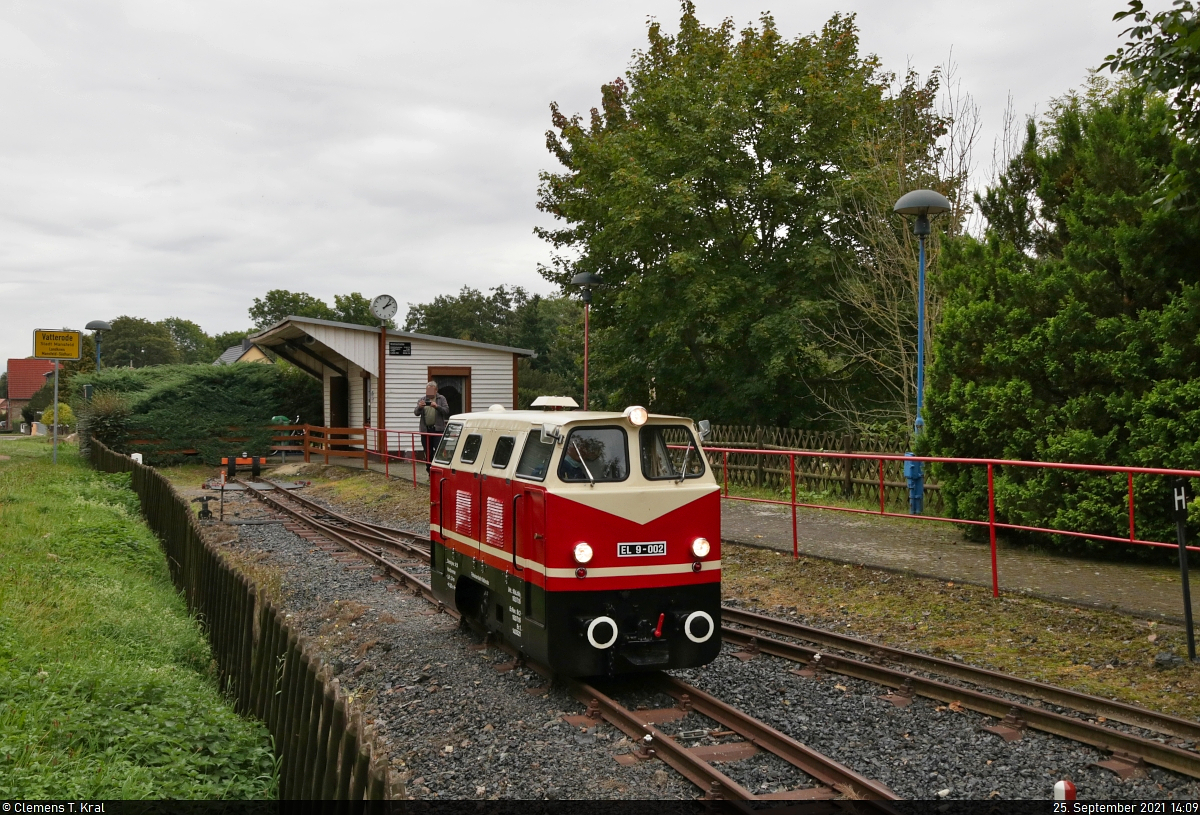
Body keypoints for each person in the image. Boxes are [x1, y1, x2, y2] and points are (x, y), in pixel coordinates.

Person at [414, 381, 450, 472]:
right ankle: (429, 471)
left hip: (438, 430)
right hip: (426, 431)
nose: (429, 392)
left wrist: (437, 406)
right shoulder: (422, 399)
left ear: (436, 390)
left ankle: (438, 470)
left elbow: (446, 411)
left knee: (438, 451)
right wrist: (420, 407)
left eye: (431, 390)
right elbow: (416, 413)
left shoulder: (441, 399)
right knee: (428, 452)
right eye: (427, 390)